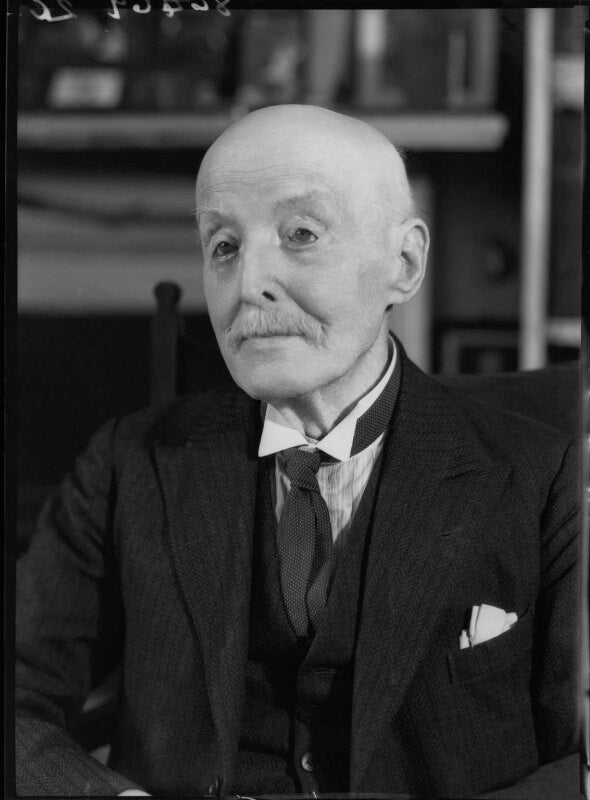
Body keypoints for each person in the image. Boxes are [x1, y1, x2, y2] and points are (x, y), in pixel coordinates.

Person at [16, 105, 579, 798]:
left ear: (404, 263)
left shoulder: (542, 479)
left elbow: (578, 762)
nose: (248, 282)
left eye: (301, 234)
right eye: (224, 245)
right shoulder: (128, 462)